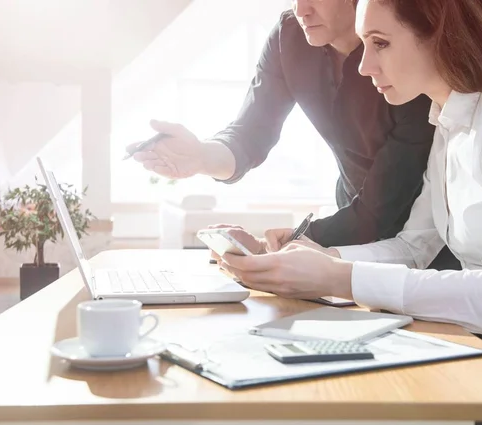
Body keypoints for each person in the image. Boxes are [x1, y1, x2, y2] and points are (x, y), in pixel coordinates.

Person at [218, 0, 482, 423]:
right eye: (364, 43)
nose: (363, 65)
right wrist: (316, 262)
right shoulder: (451, 119)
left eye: (380, 43)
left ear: (443, 38)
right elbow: (415, 246)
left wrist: (339, 277)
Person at [128, 0, 459, 269]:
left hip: (428, 234)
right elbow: (250, 134)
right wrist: (201, 156)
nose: (302, 10)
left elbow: (386, 205)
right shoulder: (290, 37)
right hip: (347, 227)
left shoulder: (404, 62)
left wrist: (283, 244)